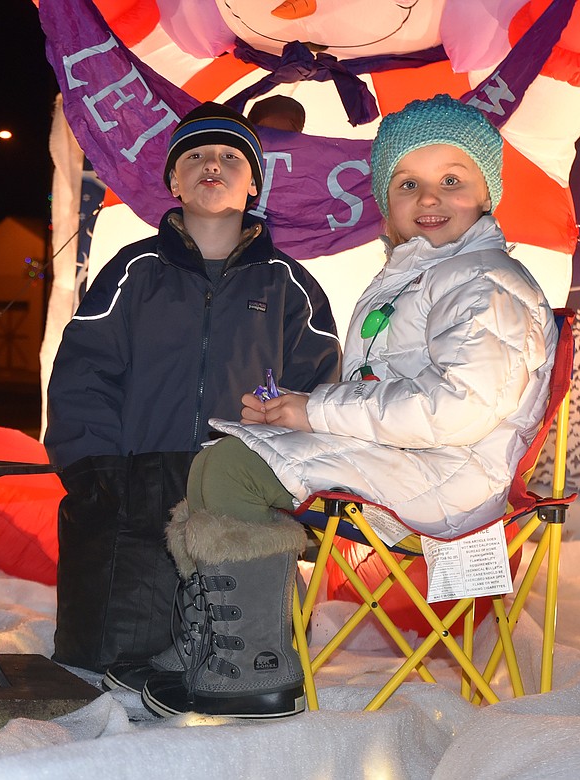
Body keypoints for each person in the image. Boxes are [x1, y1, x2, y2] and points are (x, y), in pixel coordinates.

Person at [140, 94, 558, 719]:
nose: (430, 198)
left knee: (235, 471)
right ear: (387, 202)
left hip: (452, 473)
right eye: (408, 184)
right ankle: (223, 638)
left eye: (453, 180)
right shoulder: (424, 273)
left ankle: (255, 664)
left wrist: (316, 412)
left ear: (487, 193)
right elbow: (384, 383)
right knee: (215, 461)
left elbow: (454, 409)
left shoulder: (485, 281)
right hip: (409, 457)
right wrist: (298, 411)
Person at [44, 102, 342, 677]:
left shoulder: (289, 285)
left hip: (236, 481)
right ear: (173, 180)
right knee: (111, 648)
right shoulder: (133, 269)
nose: (214, 165)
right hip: (138, 474)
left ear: (253, 182)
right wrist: (91, 464)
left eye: (231, 157)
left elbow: (320, 390)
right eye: (197, 156)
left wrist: (285, 456)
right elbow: (84, 371)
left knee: (234, 639)